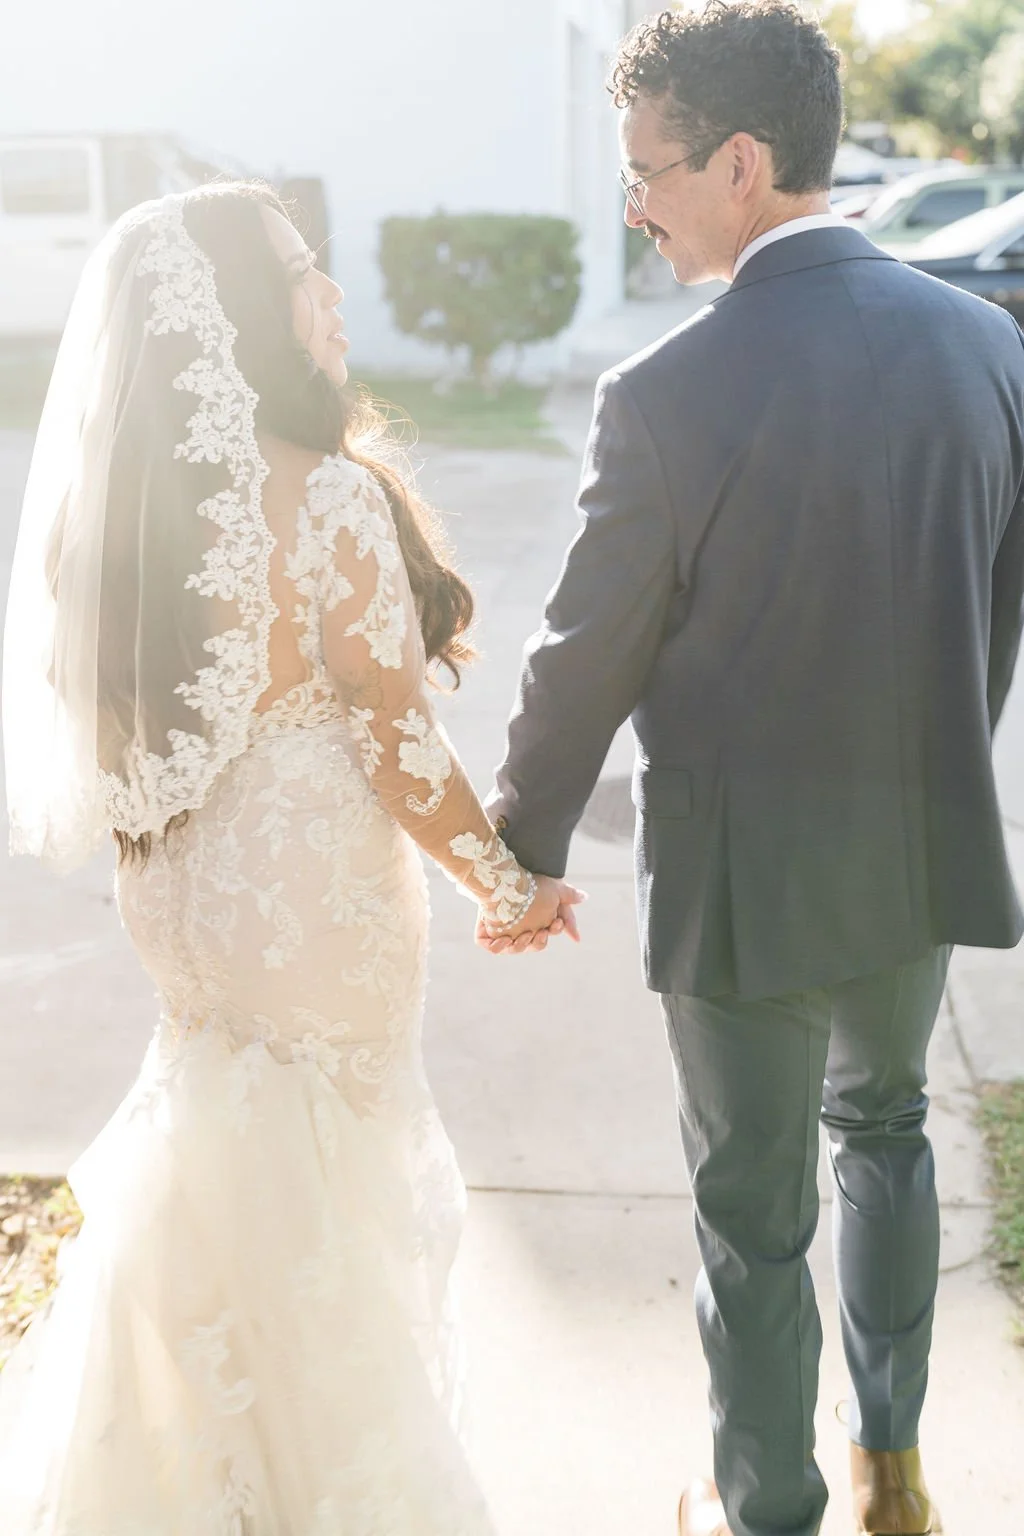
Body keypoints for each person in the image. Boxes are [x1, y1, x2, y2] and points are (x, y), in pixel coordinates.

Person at [483, 5, 1024, 1535]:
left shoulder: (662, 395)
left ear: (741, 160)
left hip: (735, 875)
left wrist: (518, 845)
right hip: (919, 846)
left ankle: (764, 1502)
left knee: (750, 1210)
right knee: (890, 1131)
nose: (635, 204)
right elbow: (1000, 603)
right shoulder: (993, 351)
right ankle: (898, 1469)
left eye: (647, 171)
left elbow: (584, 654)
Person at [0, 180, 582, 1530]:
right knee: (329, 1219)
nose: (327, 292)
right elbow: (394, 734)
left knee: (220, 1178)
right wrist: (506, 884)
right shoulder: (320, 498)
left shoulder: (121, 524)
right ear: (243, 321)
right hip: (315, 918)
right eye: (301, 272)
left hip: (187, 909)